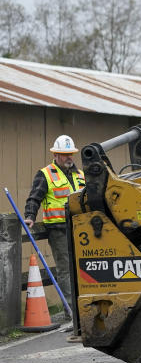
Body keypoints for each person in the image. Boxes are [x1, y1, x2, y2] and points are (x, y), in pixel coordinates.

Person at [23, 134, 86, 321]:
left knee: (82, 268)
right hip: (58, 230)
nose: (68, 158)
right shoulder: (46, 174)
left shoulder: (80, 174)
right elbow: (34, 197)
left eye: (70, 154)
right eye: (64, 154)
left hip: (81, 229)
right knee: (65, 269)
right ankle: (71, 310)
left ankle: (84, 307)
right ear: (56, 155)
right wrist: (29, 216)